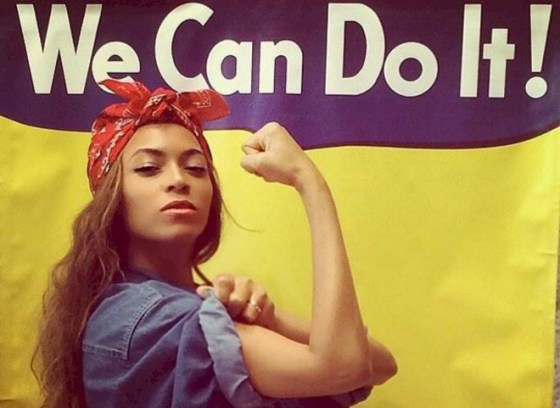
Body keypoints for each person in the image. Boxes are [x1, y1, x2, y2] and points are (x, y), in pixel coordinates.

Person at [33, 79, 397, 408]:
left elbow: (380, 364)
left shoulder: (196, 308)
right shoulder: (143, 318)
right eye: (148, 168)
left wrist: (270, 319)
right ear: (112, 199)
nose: (178, 180)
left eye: (195, 168)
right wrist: (309, 181)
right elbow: (343, 367)